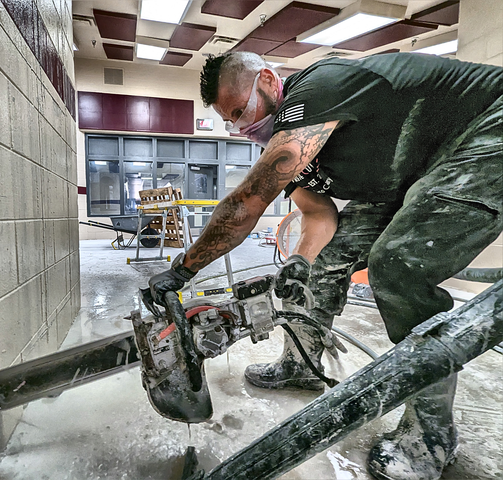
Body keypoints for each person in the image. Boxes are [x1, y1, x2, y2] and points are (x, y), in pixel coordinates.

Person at [147, 51, 502, 480]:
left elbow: (247, 203)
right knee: (323, 265)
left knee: (398, 264)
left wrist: (184, 268)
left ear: (268, 80)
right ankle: (301, 363)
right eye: (232, 121)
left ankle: (430, 438)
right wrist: (299, 261)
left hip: (487, 131)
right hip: (418, 173)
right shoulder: (298, 143)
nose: (242, 127)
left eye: (242, 111)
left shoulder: (317, 92)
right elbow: (319, 216)